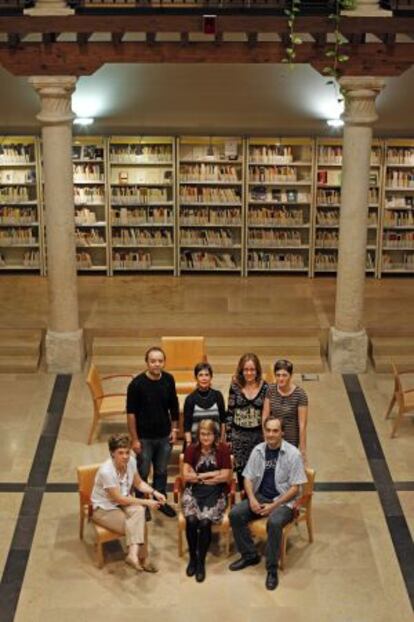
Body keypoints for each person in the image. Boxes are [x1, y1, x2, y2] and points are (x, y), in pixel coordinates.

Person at [229, 416, 307, 590]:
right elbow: (247, 478)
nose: (271, 434)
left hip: (283, 502)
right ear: (264, 431)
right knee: (235, 514)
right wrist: (252, 499)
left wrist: (274, 505)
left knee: (274, 522)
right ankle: (250, 555)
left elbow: (295, 488)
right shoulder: (258, 450)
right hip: (261, 497)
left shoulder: (293, 454)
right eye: (268, 430)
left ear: (282, 432)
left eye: (275, 431)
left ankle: (272, 569)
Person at [91, 433, 166, 572]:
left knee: (139, 512)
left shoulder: (131, 461)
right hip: (104, 508)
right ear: (112, 453)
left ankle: (134, 556)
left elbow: (138, 483)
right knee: (136, 523)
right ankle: (141, 558)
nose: (125, 456)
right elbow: (118, 498)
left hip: (123, 502)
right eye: (120, 453)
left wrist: (154, 493)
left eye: (127, 452)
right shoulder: (106, 471)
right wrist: (146, 501)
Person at [126, 346, 179, 518]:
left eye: (160, 361)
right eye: (153, 361)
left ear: (164, 362)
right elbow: (131, 414)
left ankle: (160, 502)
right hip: (144, 438)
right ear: (147, 362)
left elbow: (174, 406)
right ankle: (143, 506)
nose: (157, 364)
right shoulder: (136, 384)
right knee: (142, 472)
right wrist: (135, 440)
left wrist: (174, 428)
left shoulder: (169, 380)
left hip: (164, 436)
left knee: (162, 471)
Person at [182, 419, 232, 583]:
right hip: (194, 491)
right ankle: (192, 559)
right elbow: (186, 476)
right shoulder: (191, 449)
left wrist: (199, 477)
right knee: (191, 520)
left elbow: (226, 476)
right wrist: (211, 474)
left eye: (209, 434)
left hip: (216, 493)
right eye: (202, 434)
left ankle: (201, 562)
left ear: (215, 435)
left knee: (204, 523)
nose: (205, 437)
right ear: (198, 434)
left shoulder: (223, 449)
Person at [227, 353, 268, 491]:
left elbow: (267, 414)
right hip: (239, 437)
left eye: (252, 370)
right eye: (246, 370)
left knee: (258, 474)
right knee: (242, 475)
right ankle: (245, 505)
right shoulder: (235, 386)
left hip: (257, 437)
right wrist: (228, 438)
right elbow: (230, 412)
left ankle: (256, 504)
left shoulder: (265, 387)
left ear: (257, 371)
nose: (249, 373)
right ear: (241, 370)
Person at [262, 359, 309, 461]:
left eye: (284, 375)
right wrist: (265, 438)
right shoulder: (271, 390)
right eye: (278, 375)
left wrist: (303, 451)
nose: (280, 378)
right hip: (273, 439)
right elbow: (265, 416)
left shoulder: (300, 395)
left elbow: (302, 425)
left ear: (291, 376)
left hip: (291, 442)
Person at [183, 362, 226, 447]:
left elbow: (223, 421)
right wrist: (189, 444)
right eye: (201, 375)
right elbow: (187, 425)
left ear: (211, 377)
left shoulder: (218, 396)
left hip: (215, 444)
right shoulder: (190, 399)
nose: (204, 378)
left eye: (207, 375)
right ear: (196, 377)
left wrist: (221, 440)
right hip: (196, 445)